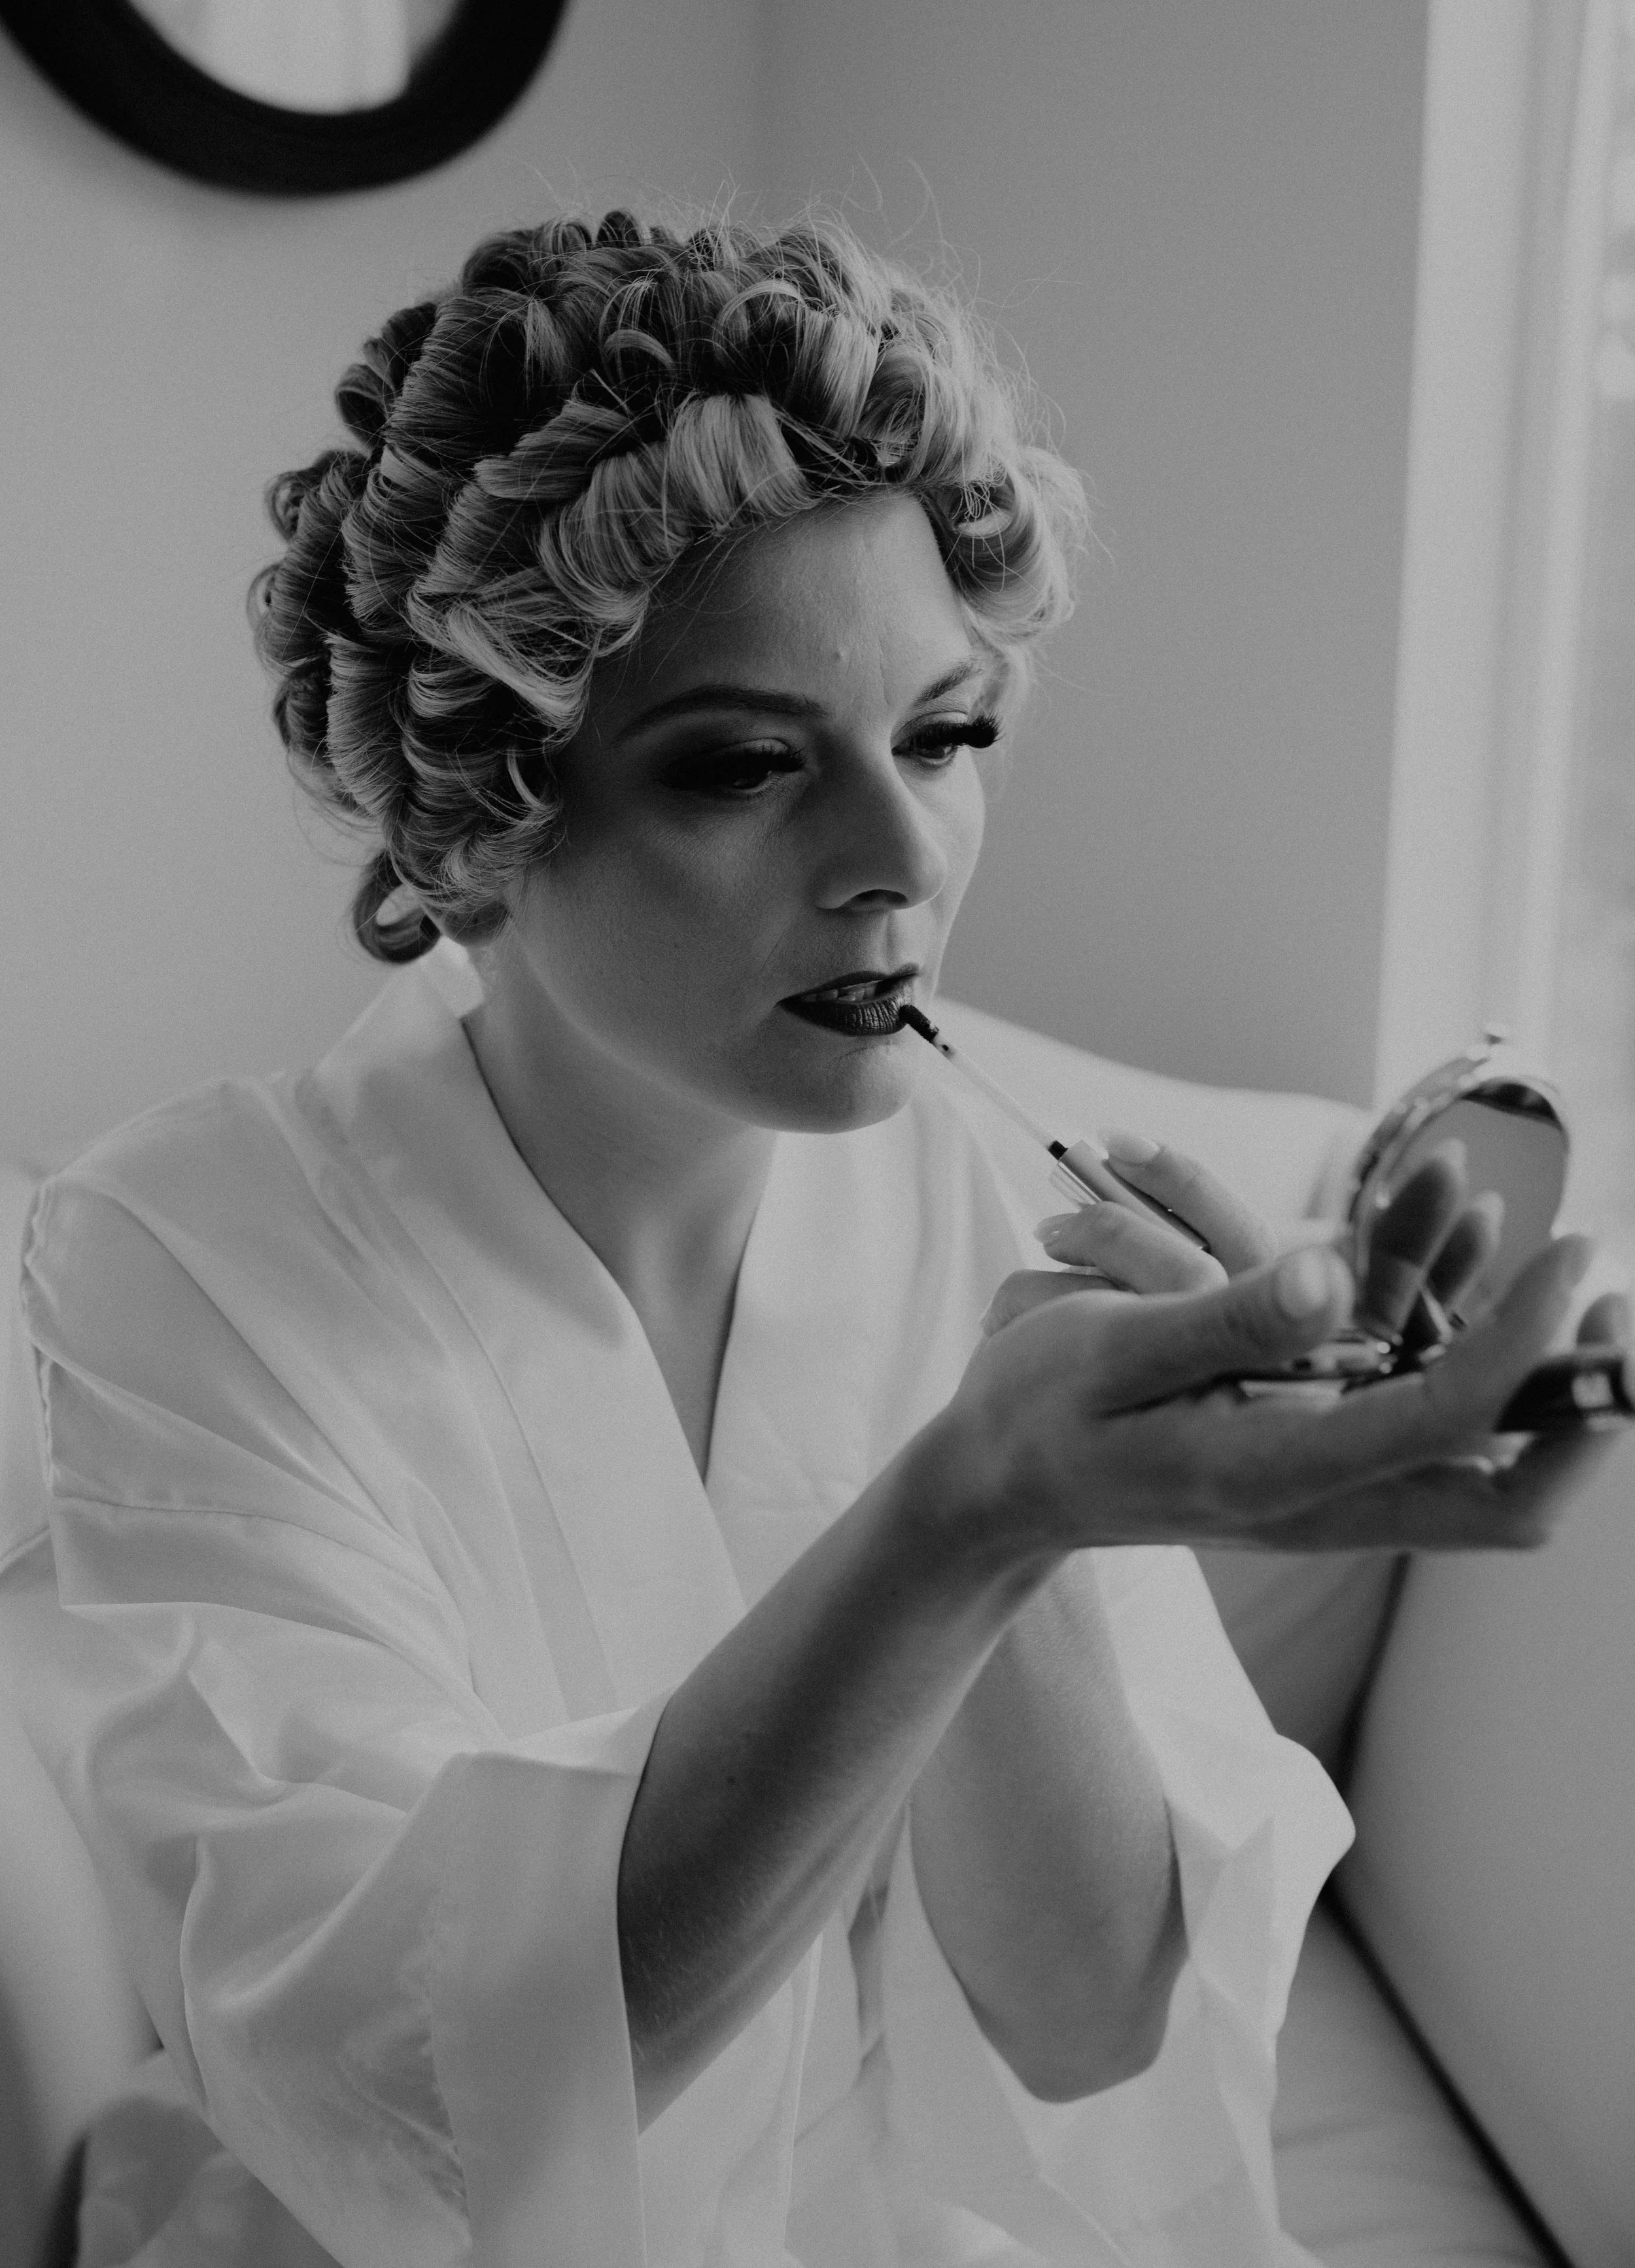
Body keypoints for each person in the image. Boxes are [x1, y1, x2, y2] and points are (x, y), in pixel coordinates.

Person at [0, 207, 1623, 2268]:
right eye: (751, 766)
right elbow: (412, 2104)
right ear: (478, 819)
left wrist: (1027, 1533)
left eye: (945, 734)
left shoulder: (981, 1199)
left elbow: (1088, 2025)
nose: (901, 858)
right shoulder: (185, 1255)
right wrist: (960, 1508)